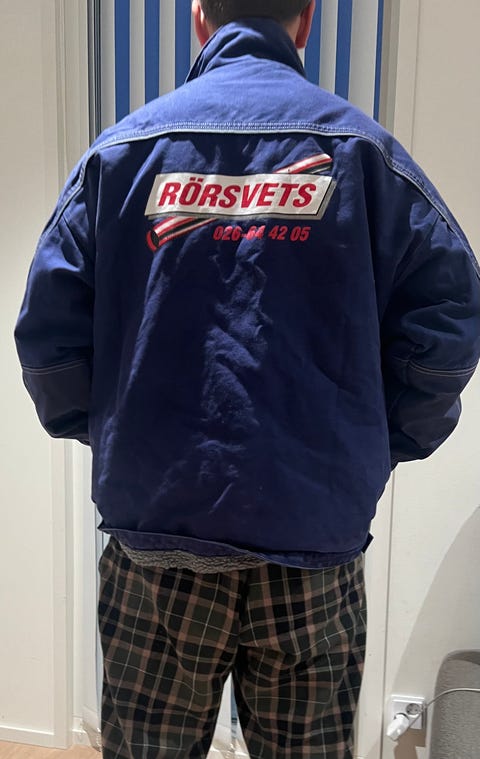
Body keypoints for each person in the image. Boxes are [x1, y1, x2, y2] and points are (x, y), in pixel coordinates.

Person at [14, 0, 480, 756]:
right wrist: (379, 445)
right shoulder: (367, 156)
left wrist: (114, 438)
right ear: (308, 20)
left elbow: (47, 342)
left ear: (199, 17)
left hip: (158, 539)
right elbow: (448, 332)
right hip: (313, 542)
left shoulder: (122, 154)